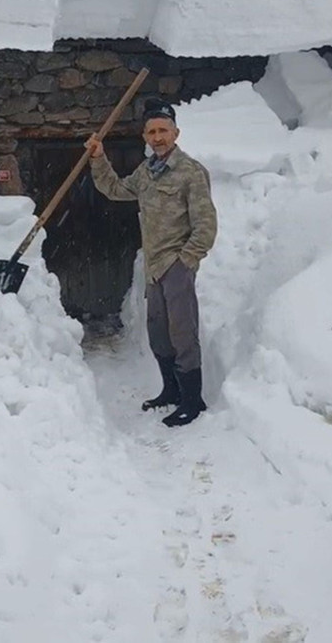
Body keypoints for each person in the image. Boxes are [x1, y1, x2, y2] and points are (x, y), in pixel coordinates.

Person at [85, 98, 217, 427]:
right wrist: (99, 159)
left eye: (163, 130)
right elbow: (115, 189)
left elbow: (206, 225)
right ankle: (170, 391)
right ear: (145, 136)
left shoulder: (191, 172)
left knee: (182, 333)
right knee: (158, 333)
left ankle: (192, 401)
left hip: (176, 266)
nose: (157, 137)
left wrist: (186, 261)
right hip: (154, 268)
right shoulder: (146, 173)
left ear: (176, 132)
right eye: (151, 131)